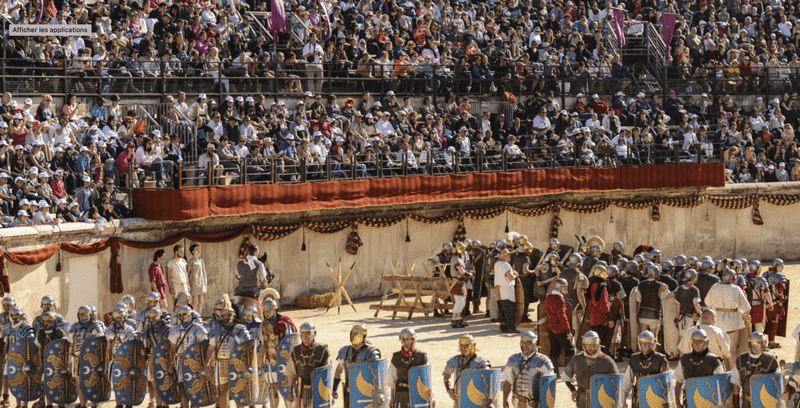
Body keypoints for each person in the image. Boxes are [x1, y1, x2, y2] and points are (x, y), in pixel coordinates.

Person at [204, 295, 251, 408]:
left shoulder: (239, 330)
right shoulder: (216, 330)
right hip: (220, 363)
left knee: (237, 391)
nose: (226, 317)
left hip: (236, 364)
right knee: (222, 391)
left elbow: (246, 348)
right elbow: (211, 348)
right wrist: (206, 364)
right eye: (224, 315)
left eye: (228, 315)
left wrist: (247, 365)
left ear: (233, 316)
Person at [561, 331, 618, 408]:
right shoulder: (576, 359)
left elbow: (617, 383)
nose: (589, 347)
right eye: (587, 344)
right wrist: (573, 390)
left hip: (602, 400)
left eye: (591, 345)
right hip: (582, 398)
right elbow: (565, 377)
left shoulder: (607, 361)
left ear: (597, 344)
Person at [706, 267, 751, 358]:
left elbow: (707, 303)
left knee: (718, 351)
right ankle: (731, 372)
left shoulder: (715, 287)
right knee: (732, 351)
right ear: (732, 277)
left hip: (717, 320)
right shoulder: (736, 289)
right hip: (733, 322)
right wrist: (746, 317)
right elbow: (746, 308)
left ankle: (721, 370)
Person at [259, 297, 296, 408]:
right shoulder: (263, 325)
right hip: (269, 363)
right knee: (272, 389)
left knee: (286, 390)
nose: (266, 313)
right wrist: (261, 361)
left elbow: (289, 344)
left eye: (268, 311)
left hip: (283, 363)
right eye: (264, 311)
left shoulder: (283, 324)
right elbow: (262, 344)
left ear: (275, 310)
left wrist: (290, 364)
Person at [501, 331, 554, 408]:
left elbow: (549, 385)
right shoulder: (513, 359)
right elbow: (508, 381)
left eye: (528, 343)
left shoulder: (543, 361)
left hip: (535, 404)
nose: (525, 345)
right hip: (518, 402)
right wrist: (504, 400)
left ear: (534, 344)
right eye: (523, 343)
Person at [168, 306, 208, 408]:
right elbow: (172, 349)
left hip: (195, 362)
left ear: (191, 315)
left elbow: (204, 347)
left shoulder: (198, 329)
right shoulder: (175, 330)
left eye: (184, 314)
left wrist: (204, 364)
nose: (182, 317)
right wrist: (171, 364)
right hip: (180, 360)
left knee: (195, 386)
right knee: (182, 386)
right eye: (180, 315)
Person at [333, 324, 381, 408]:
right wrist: (334, 389)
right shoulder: (345, 351)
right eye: (352, 333)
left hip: (365, 393)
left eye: (355, 334)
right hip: (348, 391)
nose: (352, 336)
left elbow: (377, 376)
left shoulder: (371, 353)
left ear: (362, 336)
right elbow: (339, 370)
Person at [674, 329, 725, 408]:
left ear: (706, 342)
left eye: (699, 341)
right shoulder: (685, 359)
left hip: (709, 403)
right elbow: (678, 382)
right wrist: (677, 402)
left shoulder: (714, 361)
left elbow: (720, 386)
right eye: (694, 341)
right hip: (690, 402)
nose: (695, 344)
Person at [285, 323, 330, 408]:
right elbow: (291, 374)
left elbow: (327, 374)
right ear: (300, 335)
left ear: (315, 333)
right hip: (301, 391)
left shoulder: (323, 350)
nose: (305, 336)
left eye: (309, 333)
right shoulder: (296, 351)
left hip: (318, 391)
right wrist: (290, 392)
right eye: (303, 333)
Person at [620, 331, 669, 408]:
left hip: (656, 397)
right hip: (639, 398)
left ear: (652, 344)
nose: (644, 346)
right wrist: (624, 401)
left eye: (647, 343)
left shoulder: (661, 359)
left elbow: (667, 383)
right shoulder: (634, 359)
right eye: (642, 343)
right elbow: (627, 381)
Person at [731, 332, 780, 408]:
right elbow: (735, 382)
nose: (763, 345)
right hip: (746, 403)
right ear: (751, 344)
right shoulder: (741, 359)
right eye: (760, 342)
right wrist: (736, 404)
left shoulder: (771, 360)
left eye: (764, 342)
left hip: (765, 404)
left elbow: (779, 384)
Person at [443, 334, 491, 408]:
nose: (463, 348)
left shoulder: (481, 363)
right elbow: (446, 375)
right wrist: (449, 390)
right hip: (458, 401)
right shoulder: (455, 361)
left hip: (475, 401)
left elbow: (489, 379)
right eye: (461, 346)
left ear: (473, 345)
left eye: (466, 345)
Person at [69, 305, 103, 408]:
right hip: (77, 358)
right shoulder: (74, 326)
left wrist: (101, 361)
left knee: (92, 383)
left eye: (85, 314)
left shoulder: (95, 326)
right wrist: (69, 361)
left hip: (91, 359)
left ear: (90, 315)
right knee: (79, 384)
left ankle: (94, 405)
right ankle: (83, 405)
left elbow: (101, 343)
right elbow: (71, 344)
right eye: (81, 314)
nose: (83, 316)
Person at [388, 328, 429, 408]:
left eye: (411, 339)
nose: (409, 341)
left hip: (417, 394)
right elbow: (392, 380)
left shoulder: (421, 356)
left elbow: (426, 380)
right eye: (407, 339)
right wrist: (392, 398)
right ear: (402, 340)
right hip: (400, 394)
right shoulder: (396, 357)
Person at [105, 307, 136, 408]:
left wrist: (132, 364)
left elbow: (132, 348)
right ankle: (118, 405)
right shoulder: (109, 330)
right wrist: (106, 364)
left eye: (122, 317)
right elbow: (108, 348)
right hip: (114, 361)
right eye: (119, 317)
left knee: (127, 383)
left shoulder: (129, 330)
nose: (121, 319)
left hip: (126, 361)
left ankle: (128, 404)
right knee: (116, 384)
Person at [141, 307, 172, 408]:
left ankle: (165, 405)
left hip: (164, 359)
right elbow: (146, 347)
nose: (151, 319)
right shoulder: (147, 329)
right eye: (150, 317)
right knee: (155, 384)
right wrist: (143, 350)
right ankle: (158, 405)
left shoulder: (167, 329)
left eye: (154, 317)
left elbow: (169, 346)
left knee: (165, 383)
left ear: (159, 316)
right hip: (151, 359)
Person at [4, 307, 33, 408]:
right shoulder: (8, 328)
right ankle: (18, 404)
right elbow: (6, 344)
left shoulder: (26, 327)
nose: (14, 317)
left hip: (23, 358)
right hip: (11, 358)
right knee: (15, 381)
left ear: (20, 315)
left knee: (24, 381)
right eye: (12, 315)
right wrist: (5, 356)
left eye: (16, 314)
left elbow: (30, 343)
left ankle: (24, 404)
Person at [546, 278, 575, 375]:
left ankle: (555, 373)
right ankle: (568, 375)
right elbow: (562, 316)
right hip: (559, 328)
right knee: (570, 350)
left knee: (554, 350)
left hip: (550, 326)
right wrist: (568, 331)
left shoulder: (549, 296)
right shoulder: (559, 299)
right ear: (560, 288)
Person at [634, 263, 669, 340]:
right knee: (653, 339)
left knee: (643, 338)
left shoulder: (640, 285)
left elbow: (638, 302)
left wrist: (637, 315)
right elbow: (666, 301)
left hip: (642, 315)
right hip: (654, 315)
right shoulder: (661, 286)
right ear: (655, 274)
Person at [234, 244, 269, 309]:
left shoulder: (240, 262)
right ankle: (264, 313)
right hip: (253, 291)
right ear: (255, 252)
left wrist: (241, 280)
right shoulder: (259, 264)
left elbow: (235, 276)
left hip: (240, 290)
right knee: (267, 299)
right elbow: (264, 281)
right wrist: (265, 286)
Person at [763, 259, 788, 349]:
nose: (783, 267)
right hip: (775, 303)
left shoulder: (765, 274)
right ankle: (771, 342)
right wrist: (781, 296)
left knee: (762, 323)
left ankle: (761, 342)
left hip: (764, 303)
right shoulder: (779, 275)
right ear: (777, 266)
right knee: (774, 322)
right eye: (781, 266)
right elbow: (781, 287)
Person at [674, 269, 702, 346]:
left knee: (681, 338)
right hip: (690, 318)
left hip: (681, 318)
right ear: (693, 277)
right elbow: (696, 305)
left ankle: (681, 357)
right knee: (690, 339)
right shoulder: (694, 290)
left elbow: (677, 306)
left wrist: (677, 318)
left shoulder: (680, 289)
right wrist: (701, 314)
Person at [494, 248, 519, 333]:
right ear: (504, 256)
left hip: (499, 289)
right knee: (509, 308)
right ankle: (510, 327)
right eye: (508, 255)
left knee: (501, 308)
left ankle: (503, 326)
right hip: (506, 288)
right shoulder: (505, 265)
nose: (509, 256)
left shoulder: (496, 264)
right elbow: (510, 277)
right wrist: (516, 275)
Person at [450, 242, 473, 328]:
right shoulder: (455, 258)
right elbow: (461, 271)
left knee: (462, 301)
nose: (464, 250)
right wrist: (469, 274)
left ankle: (459, 319)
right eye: (463, 248)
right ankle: (454, 320)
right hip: (457, 282)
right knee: (459, 301)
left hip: (462, 282)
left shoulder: (460, 258)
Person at [186, 244, 208, 314]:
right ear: (193, 251)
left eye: (199, 249)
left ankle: (199, 314)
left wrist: (205, 283)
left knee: (201, 301)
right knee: (194, 301)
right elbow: (187, 274)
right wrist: (188, 285)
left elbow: (204, 272)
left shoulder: (201, 260)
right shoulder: (191, 261)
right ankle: (193, 314)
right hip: (194, 283)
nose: (198, 250)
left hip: (201, 283)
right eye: (196, 249)